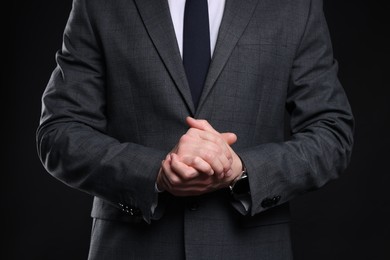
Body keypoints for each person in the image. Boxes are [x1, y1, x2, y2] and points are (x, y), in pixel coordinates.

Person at [36, 0, 354, 259]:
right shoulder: (100, 5)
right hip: (130, 248)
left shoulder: (295, 6)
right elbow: (59, 131)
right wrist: (154, 172)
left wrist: (243, 171)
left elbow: (332, 132)